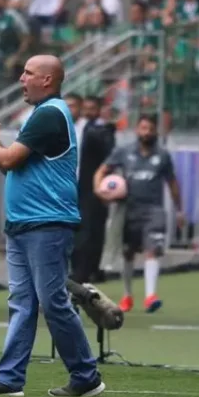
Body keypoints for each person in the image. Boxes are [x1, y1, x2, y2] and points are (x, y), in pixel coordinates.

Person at [0, 54, 105, 397]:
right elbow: (10, 167)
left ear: (47, 80)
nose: (21, 79)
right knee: (23, 302)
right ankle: (11, 377)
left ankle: (86, 376)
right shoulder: (43, 114)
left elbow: (8, 159)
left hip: (47, 223)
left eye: (28, 73)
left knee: (52, 301)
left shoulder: (49, 114)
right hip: (25, 223)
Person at [95, 114, 183, 313]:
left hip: (154, 211)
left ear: (156, 132)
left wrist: (179, 210)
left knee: (153, 250)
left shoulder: (163, 155)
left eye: (150, 129)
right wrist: (98, 189)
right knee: (128, 254)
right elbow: (102, 170)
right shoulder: (124, 152)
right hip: (128, 210)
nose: (147, 132)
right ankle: (127, 296)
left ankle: (151, 296)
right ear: (137, 130)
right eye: (143, 128)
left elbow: (172, 183)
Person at [71, 95, 115, 284]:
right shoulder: (68, 128)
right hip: (67, 186)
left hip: (89, 188)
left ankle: (83, 273)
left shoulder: (98, 130)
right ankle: (77, 271)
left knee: (88, 231)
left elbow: (108, 155)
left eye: (92, 108)